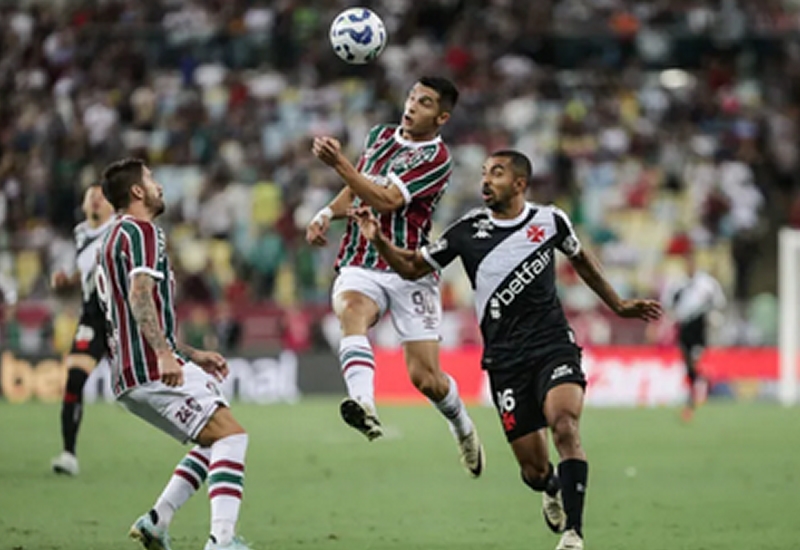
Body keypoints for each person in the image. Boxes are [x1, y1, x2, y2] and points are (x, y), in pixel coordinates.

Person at [350, 150, 662, 550]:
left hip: (553, 346)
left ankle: (574, 533)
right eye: (483, 173)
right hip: (505, 361)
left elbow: (580, 259)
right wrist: (380, 241)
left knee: (564, 424)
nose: (486, 180)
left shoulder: (550, 220)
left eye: (496, 173)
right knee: (532, 471)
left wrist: (618, 304)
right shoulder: (466, 231)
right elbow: (413, 267)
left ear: (519, 183)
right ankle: (550, 485)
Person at [306, 76, 484, 477]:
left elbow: (385, 200)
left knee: (427, 379)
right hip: (361, 256)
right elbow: (358, 189)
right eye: (411, 96)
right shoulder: (380, 136)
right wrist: (324, 214)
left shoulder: (437, 159)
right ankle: (364, 403)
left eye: (423, 103)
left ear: (441, 117)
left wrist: (339, 164)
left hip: (409, 268)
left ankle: (463, 426)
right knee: (351, 309)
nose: (411, 106)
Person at [96, 158, 251, 550]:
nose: (159, 186)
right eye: (151, 180)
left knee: (213, 439)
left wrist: (189, 353)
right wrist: (165, 354)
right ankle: (222, 541)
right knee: (232, 437)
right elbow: (139, 295)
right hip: (152, 366)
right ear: (137, 192)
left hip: (129, 374)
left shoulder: (112, 238)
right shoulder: (143, 231)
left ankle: (156, 520)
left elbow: (131, 313)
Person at [50, 183, 116, 476]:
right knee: (74, 380)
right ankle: (69, 454)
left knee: (146, 386)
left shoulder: (120, 229)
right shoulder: (80, 233)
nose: (97, 201)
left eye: (102, 197)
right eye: (92, 197)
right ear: (84, 205)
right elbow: (86, 272)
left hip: (120, 318)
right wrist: (67, 281)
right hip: (92, 318)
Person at [661, 252, 726, 421]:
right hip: (684, 326)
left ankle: (696, 396)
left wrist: (713, 317)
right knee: (687, 361)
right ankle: (698, 387)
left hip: (700, 324)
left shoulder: (707, 283)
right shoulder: (678, 284)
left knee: (695, 359)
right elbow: (668, 303)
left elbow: (719, 302)